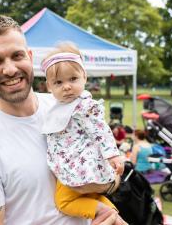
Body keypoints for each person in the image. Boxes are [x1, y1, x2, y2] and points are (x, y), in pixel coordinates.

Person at [0, 15, 124, 225]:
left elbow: (114, 169)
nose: (10, 69)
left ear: (29, 57)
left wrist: (103, 185)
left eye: (17, 56)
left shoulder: (70, 108)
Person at [41, 43, 126, 223]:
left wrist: (112, 155)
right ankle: (113, 214)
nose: (67, 87)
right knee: (91, 198)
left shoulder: (84, 106)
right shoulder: (58, 107)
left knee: (64, 202)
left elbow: (100, 130)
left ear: (84, 77)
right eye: (58, 82)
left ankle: (105, 213)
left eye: (73, 79)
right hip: (78, 168)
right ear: (49, 86)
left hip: (79, 168)